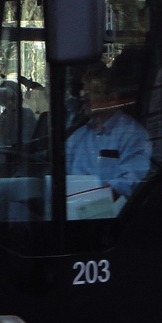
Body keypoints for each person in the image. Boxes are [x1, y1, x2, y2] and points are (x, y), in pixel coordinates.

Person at [65, 60, 152, 212]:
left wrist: (91, 204)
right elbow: (63, 175)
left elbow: (130, 182)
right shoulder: (77, 137)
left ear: (112, 98)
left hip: (112, 217)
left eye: (94, 93)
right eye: (85, 92)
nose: (85, 98)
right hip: (74, 212)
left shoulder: (131, 134)